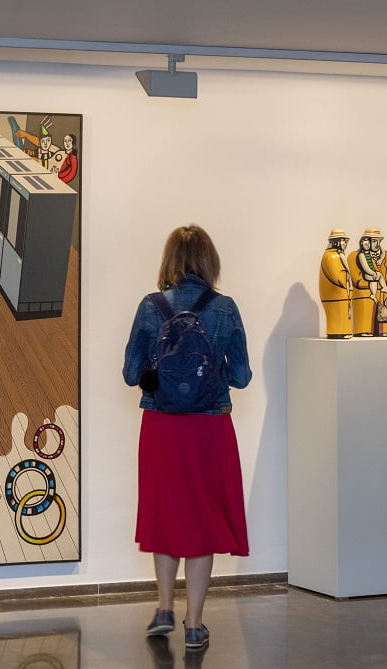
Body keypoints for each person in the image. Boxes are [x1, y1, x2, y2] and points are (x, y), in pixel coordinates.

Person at [122, 225, 251, 652]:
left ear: (170, 260)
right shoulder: (225, 308)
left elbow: (130, 374)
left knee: (166, 514)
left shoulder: (150, 306)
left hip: (162, 427)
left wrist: (161, 373)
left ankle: (164, 608)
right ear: (210, 260)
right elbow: (242, 377)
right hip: (210, 427)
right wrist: (209, 372)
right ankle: (194, 626)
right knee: (202, 519)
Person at [318, 229, 352, 339]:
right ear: (337, 242)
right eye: (344, 241)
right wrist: (346, 283)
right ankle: (338, 332)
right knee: (338, 314)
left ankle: (342, 331)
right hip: (335, 294)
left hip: (339, 293)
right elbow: (337, 276)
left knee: (343, 314)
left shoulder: (336, 255)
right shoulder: (331, 256)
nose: (346, 244)